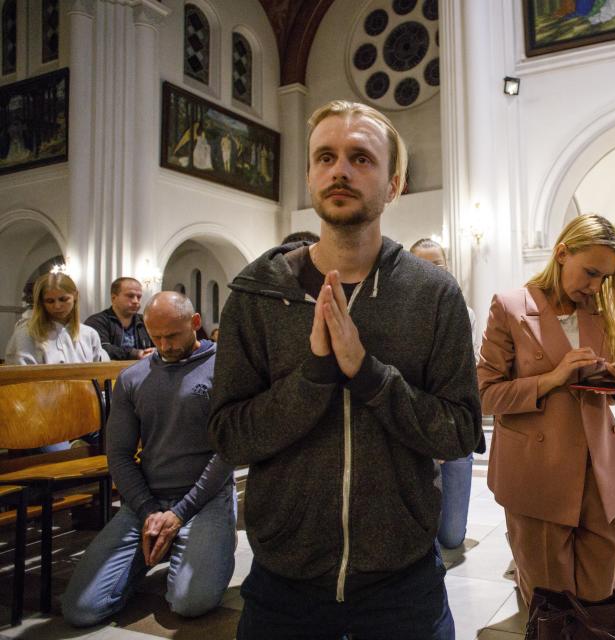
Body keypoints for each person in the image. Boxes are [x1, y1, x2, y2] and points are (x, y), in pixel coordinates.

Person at [208, 100, 482, 639]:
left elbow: (461, 432)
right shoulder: (257, 294)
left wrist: (371, 377)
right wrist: (313, 377)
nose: (340, 170)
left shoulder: (433, 296)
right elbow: (229, 438)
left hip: (401, 578)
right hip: (285, 578)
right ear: (310, 175)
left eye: (361, 158)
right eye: (326, 157)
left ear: (394, 184)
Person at [477, 213, 615, 605]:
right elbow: (486, 394)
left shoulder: (602, 310)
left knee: (601, 594)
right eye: (590, 273)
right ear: (562, 253)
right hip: (538, 472)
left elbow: (605, 392)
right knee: (552, 601)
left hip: (600, 473)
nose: (595, 286)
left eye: (604, 277)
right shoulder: (510, 306)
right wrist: (552, 379)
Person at [61, 292, 236, 626]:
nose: (165, 346)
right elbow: (120, 454)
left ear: (195, 324)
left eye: (173, 336)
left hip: (206, 500)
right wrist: (148, 511)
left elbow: (228, 449)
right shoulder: (133, 378)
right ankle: (160, 548)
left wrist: (180, 513)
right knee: (81, 609)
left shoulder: (225, 369)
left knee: (188, 603)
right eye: (156, 337)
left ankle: (197, 542)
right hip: (148, 500)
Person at [410, 237, 485, 549]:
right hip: (414, 426)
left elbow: (464, 374)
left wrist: (445, 435)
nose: (430, 271)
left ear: (447, 267)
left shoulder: (463, 313)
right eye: (421, 265)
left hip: (452, 427)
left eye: (436, 264)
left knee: (452, 537)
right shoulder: (398, 314)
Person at [5, 272, 108, 368]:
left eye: (63, 299)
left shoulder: (89, 334)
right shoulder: (27, 333)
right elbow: (20, 376)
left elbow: (101, 373)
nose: (57, 306)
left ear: (75, 295)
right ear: (41, 302)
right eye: (50, 301)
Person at [84, 277, 155, 360]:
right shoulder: (96, 321)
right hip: (109, 371)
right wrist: (135, 353)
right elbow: (102, 349)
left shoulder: (146, 320)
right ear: (113, 298)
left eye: (139, 297)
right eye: (130, 296)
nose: (136, 301)